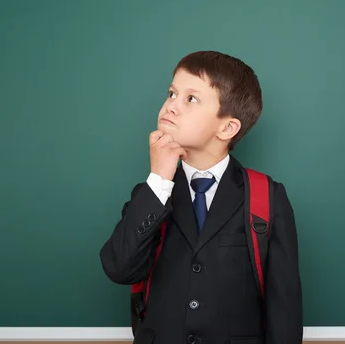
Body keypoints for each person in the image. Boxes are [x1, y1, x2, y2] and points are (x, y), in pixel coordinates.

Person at [100, 51, 303, 344]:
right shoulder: (152, 193)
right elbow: (119, 268)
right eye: (171, 93)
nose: (171, 106)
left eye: (190, 99)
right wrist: (158, 181)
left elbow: (285, 306)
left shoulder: (268, 197)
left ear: (227, 127)